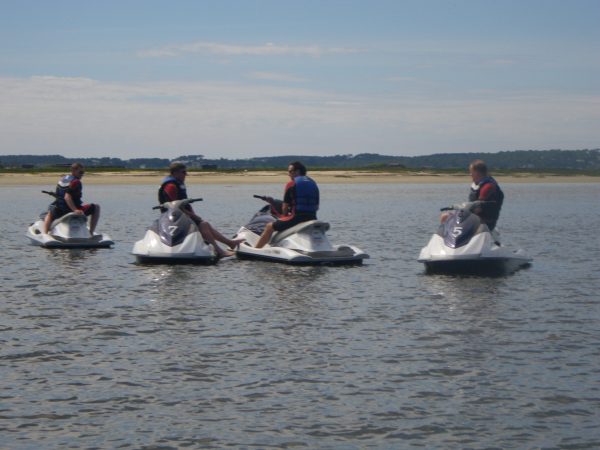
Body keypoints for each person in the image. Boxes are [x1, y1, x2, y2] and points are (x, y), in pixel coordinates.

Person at [158, 162, 243, 257]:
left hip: (179, 215)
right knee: (203, 225)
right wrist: (193, 216)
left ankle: (229, 243)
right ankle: (219, 250)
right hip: (175, 218)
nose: (185, 175)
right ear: (175, 173)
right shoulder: (171, 186)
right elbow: (175, 207)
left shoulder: (175, 183)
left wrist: (193, 216)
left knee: (204, 224)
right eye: (183, 172)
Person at [255, 161, 319, 248]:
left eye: (290, 171)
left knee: (269, 226)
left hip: (296, 218)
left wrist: (282, 217)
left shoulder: (291, 184)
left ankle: (256, 249)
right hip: (312, 217)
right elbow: (316, 206)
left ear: (297, 172)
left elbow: (285, 207)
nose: (288, 174)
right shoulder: (313, 183)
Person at [441, 159, 504, 230]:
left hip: (485, 222)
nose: (470, 174)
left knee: (446, 217)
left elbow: (478, 208)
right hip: (475, 218)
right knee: (444, 216)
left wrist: (461, 209)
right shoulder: (478, 185)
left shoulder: (488, 187)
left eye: (471, 172)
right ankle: (445, 237)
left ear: (477, 173)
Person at [43, 162, 100, 234]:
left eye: (83, 172)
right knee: (96, 207)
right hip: (71, 210)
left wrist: (53, 194)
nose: (82, 174)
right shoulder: (76, 182)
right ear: (73, 171)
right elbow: (67, 197)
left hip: (60, 210)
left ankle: (45, 233)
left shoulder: (63, 179)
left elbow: (59, 196)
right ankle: (91, 233)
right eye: (81, 172)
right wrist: (75, 210)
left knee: (50, 213)